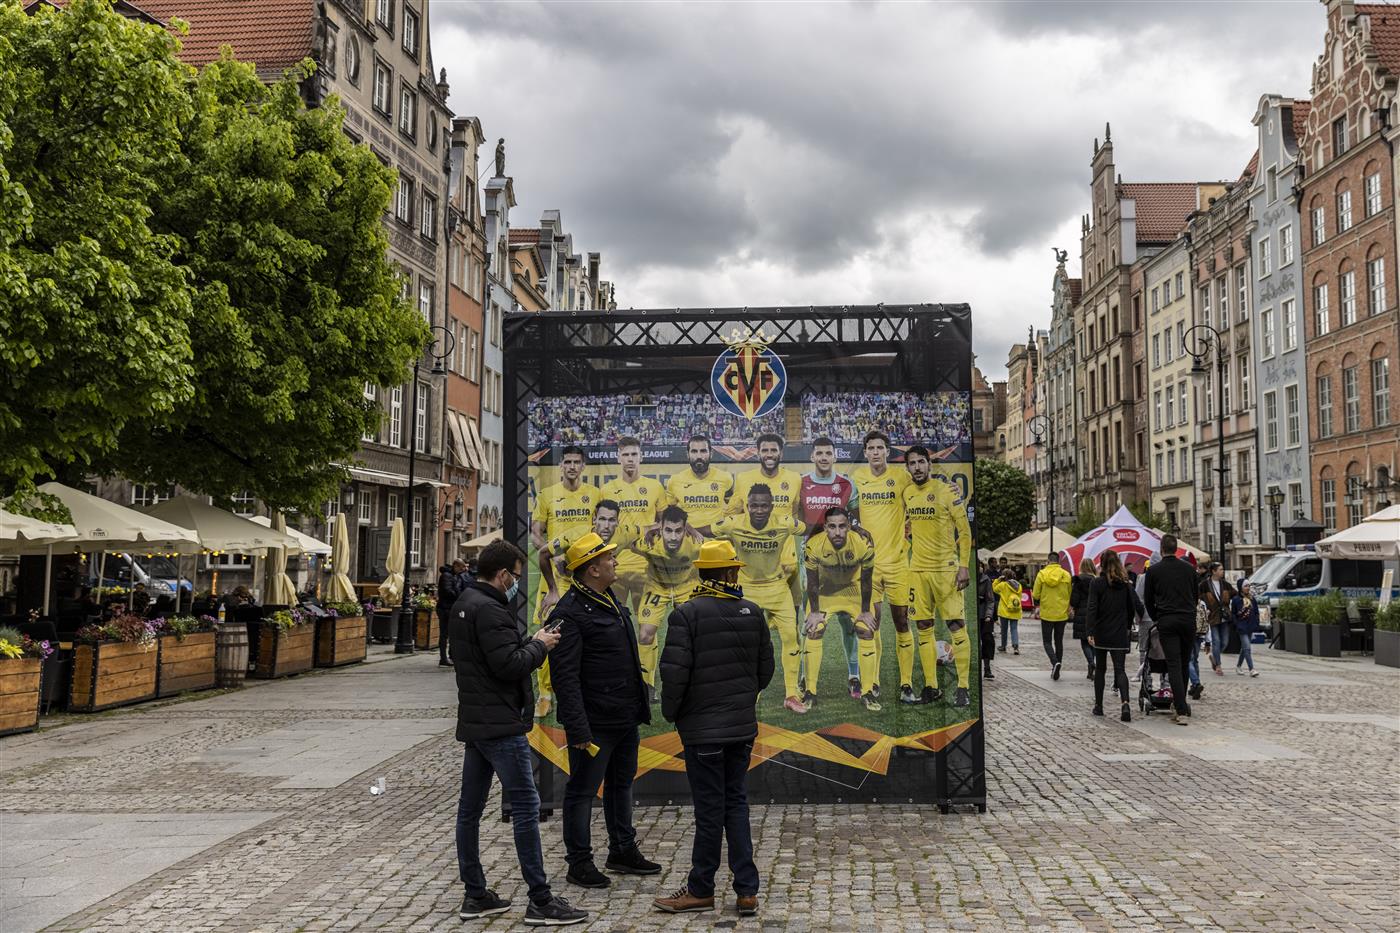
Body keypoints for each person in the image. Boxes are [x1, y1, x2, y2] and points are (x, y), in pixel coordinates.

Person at [449, 540, 586, 926]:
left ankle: (476, 894)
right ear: (503, 574)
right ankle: (541, 900)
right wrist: (540, 646)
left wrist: (529, 641)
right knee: (526, 809)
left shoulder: (464, 604)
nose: (516, 584)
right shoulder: (490, 609)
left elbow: (488, 658)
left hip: (477, 720)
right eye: (515, 576)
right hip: (500, 723)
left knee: (470, 810)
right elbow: (508, 666)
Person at [654, 539, 774, 917]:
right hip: (739, 728)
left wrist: (676, 714)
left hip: (703, 731)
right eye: (734, 568)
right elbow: (765, 670)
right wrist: (741, 698)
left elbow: (673, 675)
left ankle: (701, 889)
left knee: (710, 810)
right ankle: (746, 891)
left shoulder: (686, 614)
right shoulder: (751, 611)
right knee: (735, 805)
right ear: (728, 572)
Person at [546, 532, 660, 890]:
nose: (614, 561)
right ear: (592, 569)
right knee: (582, 791)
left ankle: (622, 850)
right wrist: (578, 729)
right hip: (595, 721)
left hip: (623, 715)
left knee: (621, 785)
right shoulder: (569, 611)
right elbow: (565, 677)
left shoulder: (608, 598)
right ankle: (579, 862)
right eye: (608, 558)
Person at [709, 485, 805, 711]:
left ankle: (791, 694)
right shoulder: (733, 523)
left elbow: (811, 527)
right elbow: (705, 530)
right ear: (747, 506)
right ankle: (750, 692)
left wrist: (855, 529)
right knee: (745, 644)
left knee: (791, 637)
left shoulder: (784, 523)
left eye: (764, 506)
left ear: (771, 506)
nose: (759, 510)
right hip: (746, 591)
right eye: (754, 506)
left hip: (778, 589)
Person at [529, 445, 598, 717]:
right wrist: (551, 552)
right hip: (554, 579)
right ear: (561, 466)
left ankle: (584, 688)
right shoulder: (547, 495)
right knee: (547, 632)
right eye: (567, 461)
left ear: (583, 467)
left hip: (584, 577)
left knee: (588, 633)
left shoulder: (594, 495)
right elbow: (536, 533)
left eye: (576, 462)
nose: (571, 466)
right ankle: (545, 694)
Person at [902, 446, 973, 707]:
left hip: (946, 571)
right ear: (907, 467)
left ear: (929, 465)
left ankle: (963, 687)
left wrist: (963, 565)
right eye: (913, 463)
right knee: (923, 628)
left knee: (956, 627)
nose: (918, 467)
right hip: (918, 571)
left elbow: (964, 532)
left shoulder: (946, 491)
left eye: (922, 462)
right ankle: (931, 687)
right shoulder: (907, 492)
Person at [803, 507, 879, 709]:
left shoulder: (863, 543)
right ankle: (810, 691)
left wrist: (864, 611)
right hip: (825, 592)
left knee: (866, 629)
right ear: (825, 527)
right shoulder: (813, 545)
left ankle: (868, 691)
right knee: (814, 630)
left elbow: (866, 580)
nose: (837, 532)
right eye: (832, 527)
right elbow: (811, 582)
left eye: (842, 526)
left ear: (849, 526)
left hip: (853, 591)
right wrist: (815, 613)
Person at [601, 436, 666, 616]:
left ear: (641, 457)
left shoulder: (655, 486)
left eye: (634, 454)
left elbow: (664, 523)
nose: (630, 458)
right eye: (626, 454)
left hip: (645, 566)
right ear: (618, 457)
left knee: (646, 625)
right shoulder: (606, 490)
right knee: (614, 623)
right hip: (614, 566)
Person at [1142, 534, 1196, 725]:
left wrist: (1157, 617)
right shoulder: (1190, 570)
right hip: (1188, 620)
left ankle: (1180, 709)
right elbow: (1195, 596)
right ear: (1177, 548)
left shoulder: (1154, 571)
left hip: (1167, 620)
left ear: (1161, 549)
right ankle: (1180, 703)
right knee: (1184, 662)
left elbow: (1148, 600)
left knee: (1172, 663)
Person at [1087, 549, 1143, 722]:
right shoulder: (1125, 584)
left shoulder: (1097, 583)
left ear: (1102, 564)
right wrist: (1127, 626)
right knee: (1120, 669)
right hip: (1119, 631)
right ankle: (1125, 703)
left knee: (1101, 669)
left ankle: (1099, 705)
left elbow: (1092, 608)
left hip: (1102, 630)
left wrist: (1090, 631)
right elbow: (1133, 607)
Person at [1032, 552, 1073, 681]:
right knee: (1059, 641)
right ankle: (1057, 668)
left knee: (1047, 641)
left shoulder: (1042, 574)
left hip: (1047, 612)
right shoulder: (1066, 575)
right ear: (1058, 561)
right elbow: (1069, 593)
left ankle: (1055, 662)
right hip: (1061, 613)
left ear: (1048, 561)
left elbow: (1036, 595)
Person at [1199, 563, 1233, 676]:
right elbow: (1197, 598)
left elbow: (1235, 594)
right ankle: (1218, 665)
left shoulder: (1226, 585)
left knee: (1225, 642)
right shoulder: (1204, 585)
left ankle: (1214, 656)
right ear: (1213, 571)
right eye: (1220, 569)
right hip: (1212, 617)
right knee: (1216, 641)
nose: (1222, 571)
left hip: (1224, 617)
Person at [1070, 558, 1097, 681]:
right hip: (1095, 613)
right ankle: (1092, 663)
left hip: (1081, 612)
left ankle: (1091, 663)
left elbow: (1074, 600)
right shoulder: (1096, 581)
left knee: (1084, 642)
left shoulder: (1078, 581)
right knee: (1093, 640)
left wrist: (1073, 607)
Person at [436, 559, 466, 667]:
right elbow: (447, 591)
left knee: (452, 633)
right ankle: (443, 658)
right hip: (445, 608)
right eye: (462, 568)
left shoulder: (454, 576)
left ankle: (451, 656)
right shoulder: (447, 576)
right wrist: (459, 594)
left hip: (450, 607)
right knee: (445, 634)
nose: (463, 570)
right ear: (456, 566)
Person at [1231, 581, 1260, 677]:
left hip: (1250, 626)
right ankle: (1251, 669)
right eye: (1246, 586)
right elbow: (1233, 614)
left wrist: (1256, 622)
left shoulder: (1252, 599)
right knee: (1247, 647)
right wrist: (1237, 624)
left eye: (1249, 586)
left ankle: (1238, 666)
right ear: (1241, 588)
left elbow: (1256, 612)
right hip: (1241, 626)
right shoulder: (1236, 599)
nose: (1248, 588)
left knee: (1244, 648)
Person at [992, 570, 1022, 655]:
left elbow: (994, 588)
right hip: (1015, 610)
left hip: (1004, 611)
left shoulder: (1003, 585)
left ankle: (1003, 646)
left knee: (1004, 629)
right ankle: (1016, 647)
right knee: (1014, 629)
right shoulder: (1019, 585)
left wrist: (998, 580)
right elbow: (1019, 597)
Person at [977, 561, 996, 679]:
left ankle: (987, 668)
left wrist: (989, 615)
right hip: (972, 615)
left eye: (981, 566)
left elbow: (990, 599)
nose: (979, 568)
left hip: (984, 615)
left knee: (987, 640)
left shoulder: (986, 580)